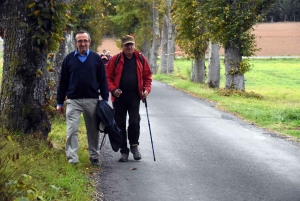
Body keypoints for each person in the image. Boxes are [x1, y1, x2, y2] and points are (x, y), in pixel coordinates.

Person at [56, 30, 109, 166]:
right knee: (71, 130)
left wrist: (104, 98)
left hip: (92, 99)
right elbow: (63, 81)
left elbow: (102, 79)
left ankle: (94, 156)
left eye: (85, 40)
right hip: (73, 100)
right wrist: (59, 102)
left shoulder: (96, 58)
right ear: (76, 43)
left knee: (93, 130)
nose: (83, 43)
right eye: (80, 41)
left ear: (89, 42)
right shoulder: (68, 59)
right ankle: (72, 159)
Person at [106, 35, 152, 162]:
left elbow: (148, 77)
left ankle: (134, 146)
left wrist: (146, 90)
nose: (129, 47)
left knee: (134, 122)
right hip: (119, 97)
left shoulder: (141, 59)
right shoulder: (115, 59)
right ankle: (123, 151)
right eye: (127, 45)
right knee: (120, 124)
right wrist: (113, 89)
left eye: (131, 44)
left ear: (134, 45)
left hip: (134, 96)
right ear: (122, 46)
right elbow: (108, 77)